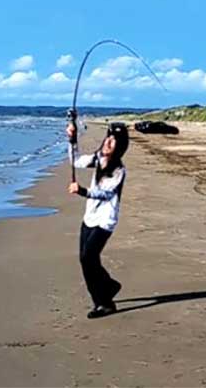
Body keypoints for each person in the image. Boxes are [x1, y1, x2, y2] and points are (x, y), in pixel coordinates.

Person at [66, 122, 129, 318]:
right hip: (90, 218)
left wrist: (82, 191)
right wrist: (72, 139)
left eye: (114, 141)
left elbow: (105, 193)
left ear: (120, 147)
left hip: (105, 221)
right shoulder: (97, 158)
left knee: (88, 258)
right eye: (108, 137)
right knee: (85, 261)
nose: (109, 142)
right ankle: (109, 286)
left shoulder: (119, 170)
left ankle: (104, 303)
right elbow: (74, 160)